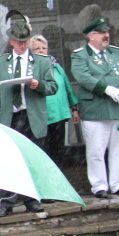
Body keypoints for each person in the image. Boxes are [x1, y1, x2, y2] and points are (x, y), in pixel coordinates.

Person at [0, 11, 57, 216]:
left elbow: (53, 87)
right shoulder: (0, 63)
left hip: (31, 115)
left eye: (25, 41)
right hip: (10, 116)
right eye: (18, 42)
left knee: (31, 160)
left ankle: (32, 200)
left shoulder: (42, 62)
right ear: (11, 41)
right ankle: (6, 203)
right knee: (9, 161)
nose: (22, 45)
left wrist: (39, 85)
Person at [69, 17, 119, 198]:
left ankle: (118, 184)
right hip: (95, 109)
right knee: (96, 151)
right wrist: (107, 89)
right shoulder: (80, 55)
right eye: (102, 33)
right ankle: (99, 186)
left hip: (116, 107)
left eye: (107, 32)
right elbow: (83, 77)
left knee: (118, 149)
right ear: (91, 36)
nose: (106, 36)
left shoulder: (115, 53)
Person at [29, 34, 78, 172]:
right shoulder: (29, 67)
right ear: (30, 51)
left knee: (59, 150)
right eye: (37, 48)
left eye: (44, 48)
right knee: (43, 151)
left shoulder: (56, 66)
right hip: (41, 116)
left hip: (59, 115)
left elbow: (67, 86)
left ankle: (59, 177)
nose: (41, 50)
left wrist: (74, 107)